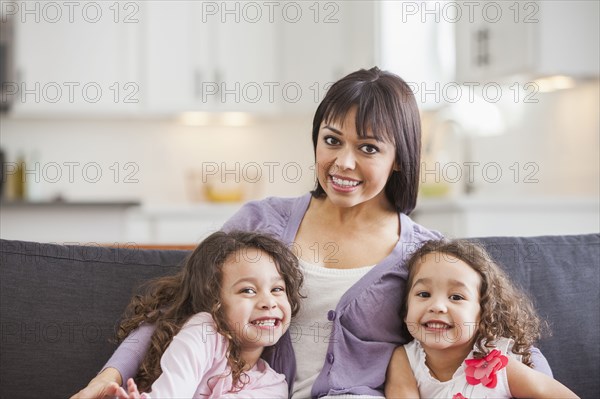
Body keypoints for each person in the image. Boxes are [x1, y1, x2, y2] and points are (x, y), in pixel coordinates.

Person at [71, 67, 552, 399]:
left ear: (400, 157)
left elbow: (505, 339)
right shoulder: (259, 223)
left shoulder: (424, 255)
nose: (343, 162)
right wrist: (107, 376)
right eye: (331, 140)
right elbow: (175, 307)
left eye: (367, 147)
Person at [110, 230, 304, 398]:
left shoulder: (273, 386)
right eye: (248, 290)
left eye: (277, 288)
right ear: (214, 303)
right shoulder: (204, 332)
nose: (269, 302)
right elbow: (172, 391)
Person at [385, 239, 578, 399]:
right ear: (405, 308)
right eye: (424, 294)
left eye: (456, 297)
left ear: (484, 313)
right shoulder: (405, 359)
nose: (437, 306)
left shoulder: (500, 365)